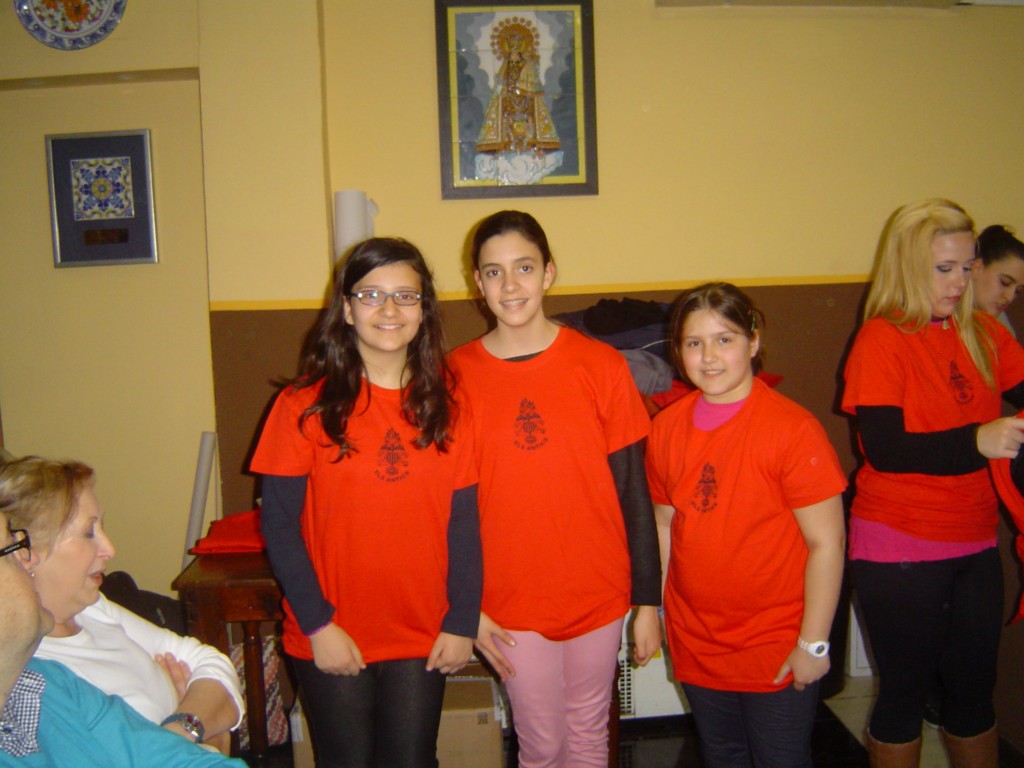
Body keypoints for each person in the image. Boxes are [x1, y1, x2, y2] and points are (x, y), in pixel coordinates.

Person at [250, 237, 482, 768]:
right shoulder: (301, 407)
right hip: (333, 629)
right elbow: (280, 526)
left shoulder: (450, 405)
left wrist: (462, 620)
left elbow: (464, 524)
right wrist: (318, 625)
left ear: (424, 311)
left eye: (406, 296)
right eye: (372, 295)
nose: (389, 309)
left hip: (422, 629)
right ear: (348, 309)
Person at [448, 210, 662, 768]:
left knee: (589, 735)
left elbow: (633, 489)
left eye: (524, 267)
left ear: (548, 272)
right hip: (509, 598)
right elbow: (448, 506)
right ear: (477, 283)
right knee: (541, 745)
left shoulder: (601, 365)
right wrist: (464, 605)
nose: (510, 285)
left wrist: (648, 600)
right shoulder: (454, 376)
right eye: (493, 272)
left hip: (597, 587)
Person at [841, 198, 1024, 768]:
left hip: (974, 537)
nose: (959, 282)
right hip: (900, 540)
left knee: (972, 692)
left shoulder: (984, 333)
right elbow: (887, 448)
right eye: (944, 269)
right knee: (904, 693)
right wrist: (977, 439)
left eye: (967, 267)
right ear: (909, 266)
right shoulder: (882, 338)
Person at [644, 282, 846, 768]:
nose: (709, 357)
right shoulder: (667, 428)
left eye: (725, 339)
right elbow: (664, 524)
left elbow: (828, 543)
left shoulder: (793, 430)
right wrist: (651, 609)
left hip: (775, 642)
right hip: (697, 641)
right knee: (723, 755)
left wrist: (813, 642)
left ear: (754, 342)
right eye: (694, 343)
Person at [0, 456, 243, 754]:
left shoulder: (93, 610)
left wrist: (181, 728)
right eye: (89, 532)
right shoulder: (29, 671)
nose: (110, 549)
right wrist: (210, 738)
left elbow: (213, 663)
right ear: (25, 553)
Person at [971, 224, 1024, 336]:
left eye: (1018, 291)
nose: (1010, 298)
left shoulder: (1001, 327)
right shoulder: (940, 316)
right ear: (976, 268)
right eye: (1005, 283)